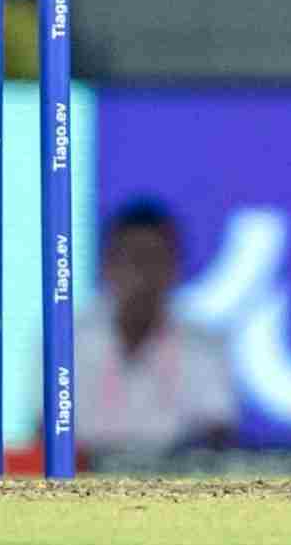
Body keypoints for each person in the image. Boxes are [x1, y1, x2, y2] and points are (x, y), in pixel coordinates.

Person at [76, 199, 238, 465]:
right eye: (133, 259)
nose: (144, 274)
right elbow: (43, 436)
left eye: (155, 259)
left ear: (175, 268)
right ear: (107, 266)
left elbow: (218, 439)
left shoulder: (205, 347)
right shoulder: (69, 343)